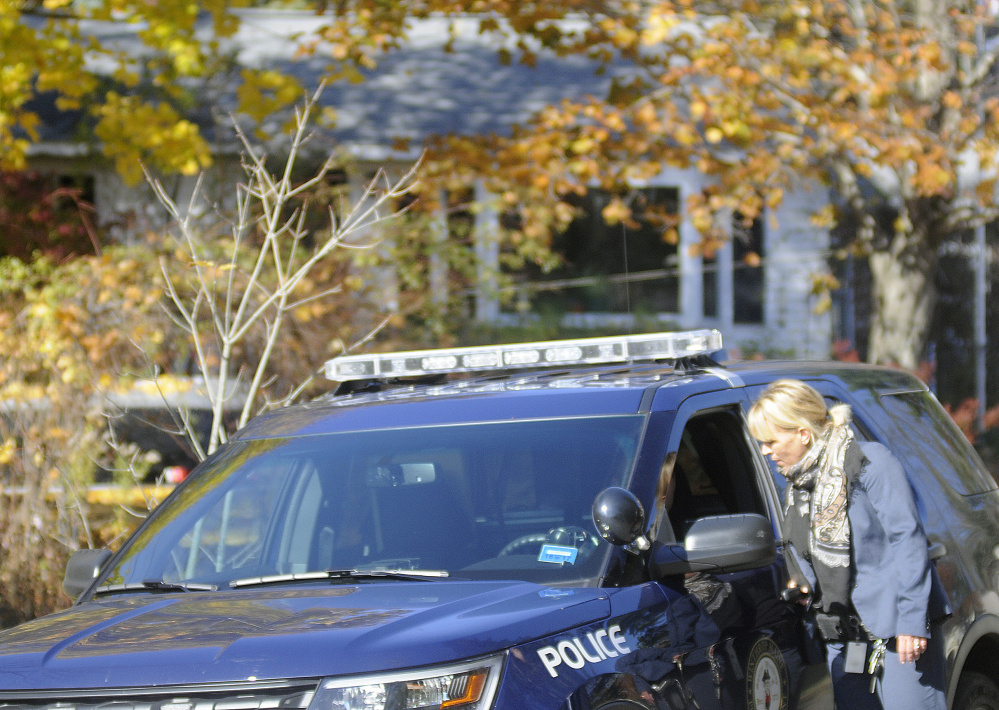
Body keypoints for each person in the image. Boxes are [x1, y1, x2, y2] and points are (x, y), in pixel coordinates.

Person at [748, 379, 950, 710]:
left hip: (898, 628)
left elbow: (909, 541)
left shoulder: (869, 461)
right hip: (844, 636)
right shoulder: (799, 485)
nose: (766, 451)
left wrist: (912, 623)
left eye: (770, 441)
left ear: (802, 433)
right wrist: (805, 587)